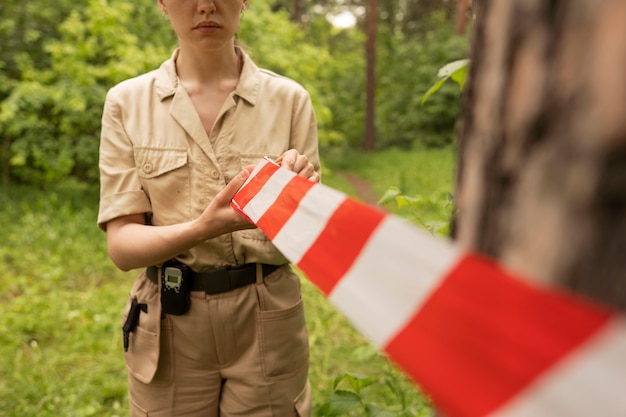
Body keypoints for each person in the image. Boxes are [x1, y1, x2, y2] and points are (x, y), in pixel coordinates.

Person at [97, 0, 320, 415]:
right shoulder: (127, 103)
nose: (206, 7)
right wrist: (204, 227)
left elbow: (305, 241)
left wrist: (303, 200)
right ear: (162, 3)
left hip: (267, 315)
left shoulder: (289, 100)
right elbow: (123, 247)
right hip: (169, 318)